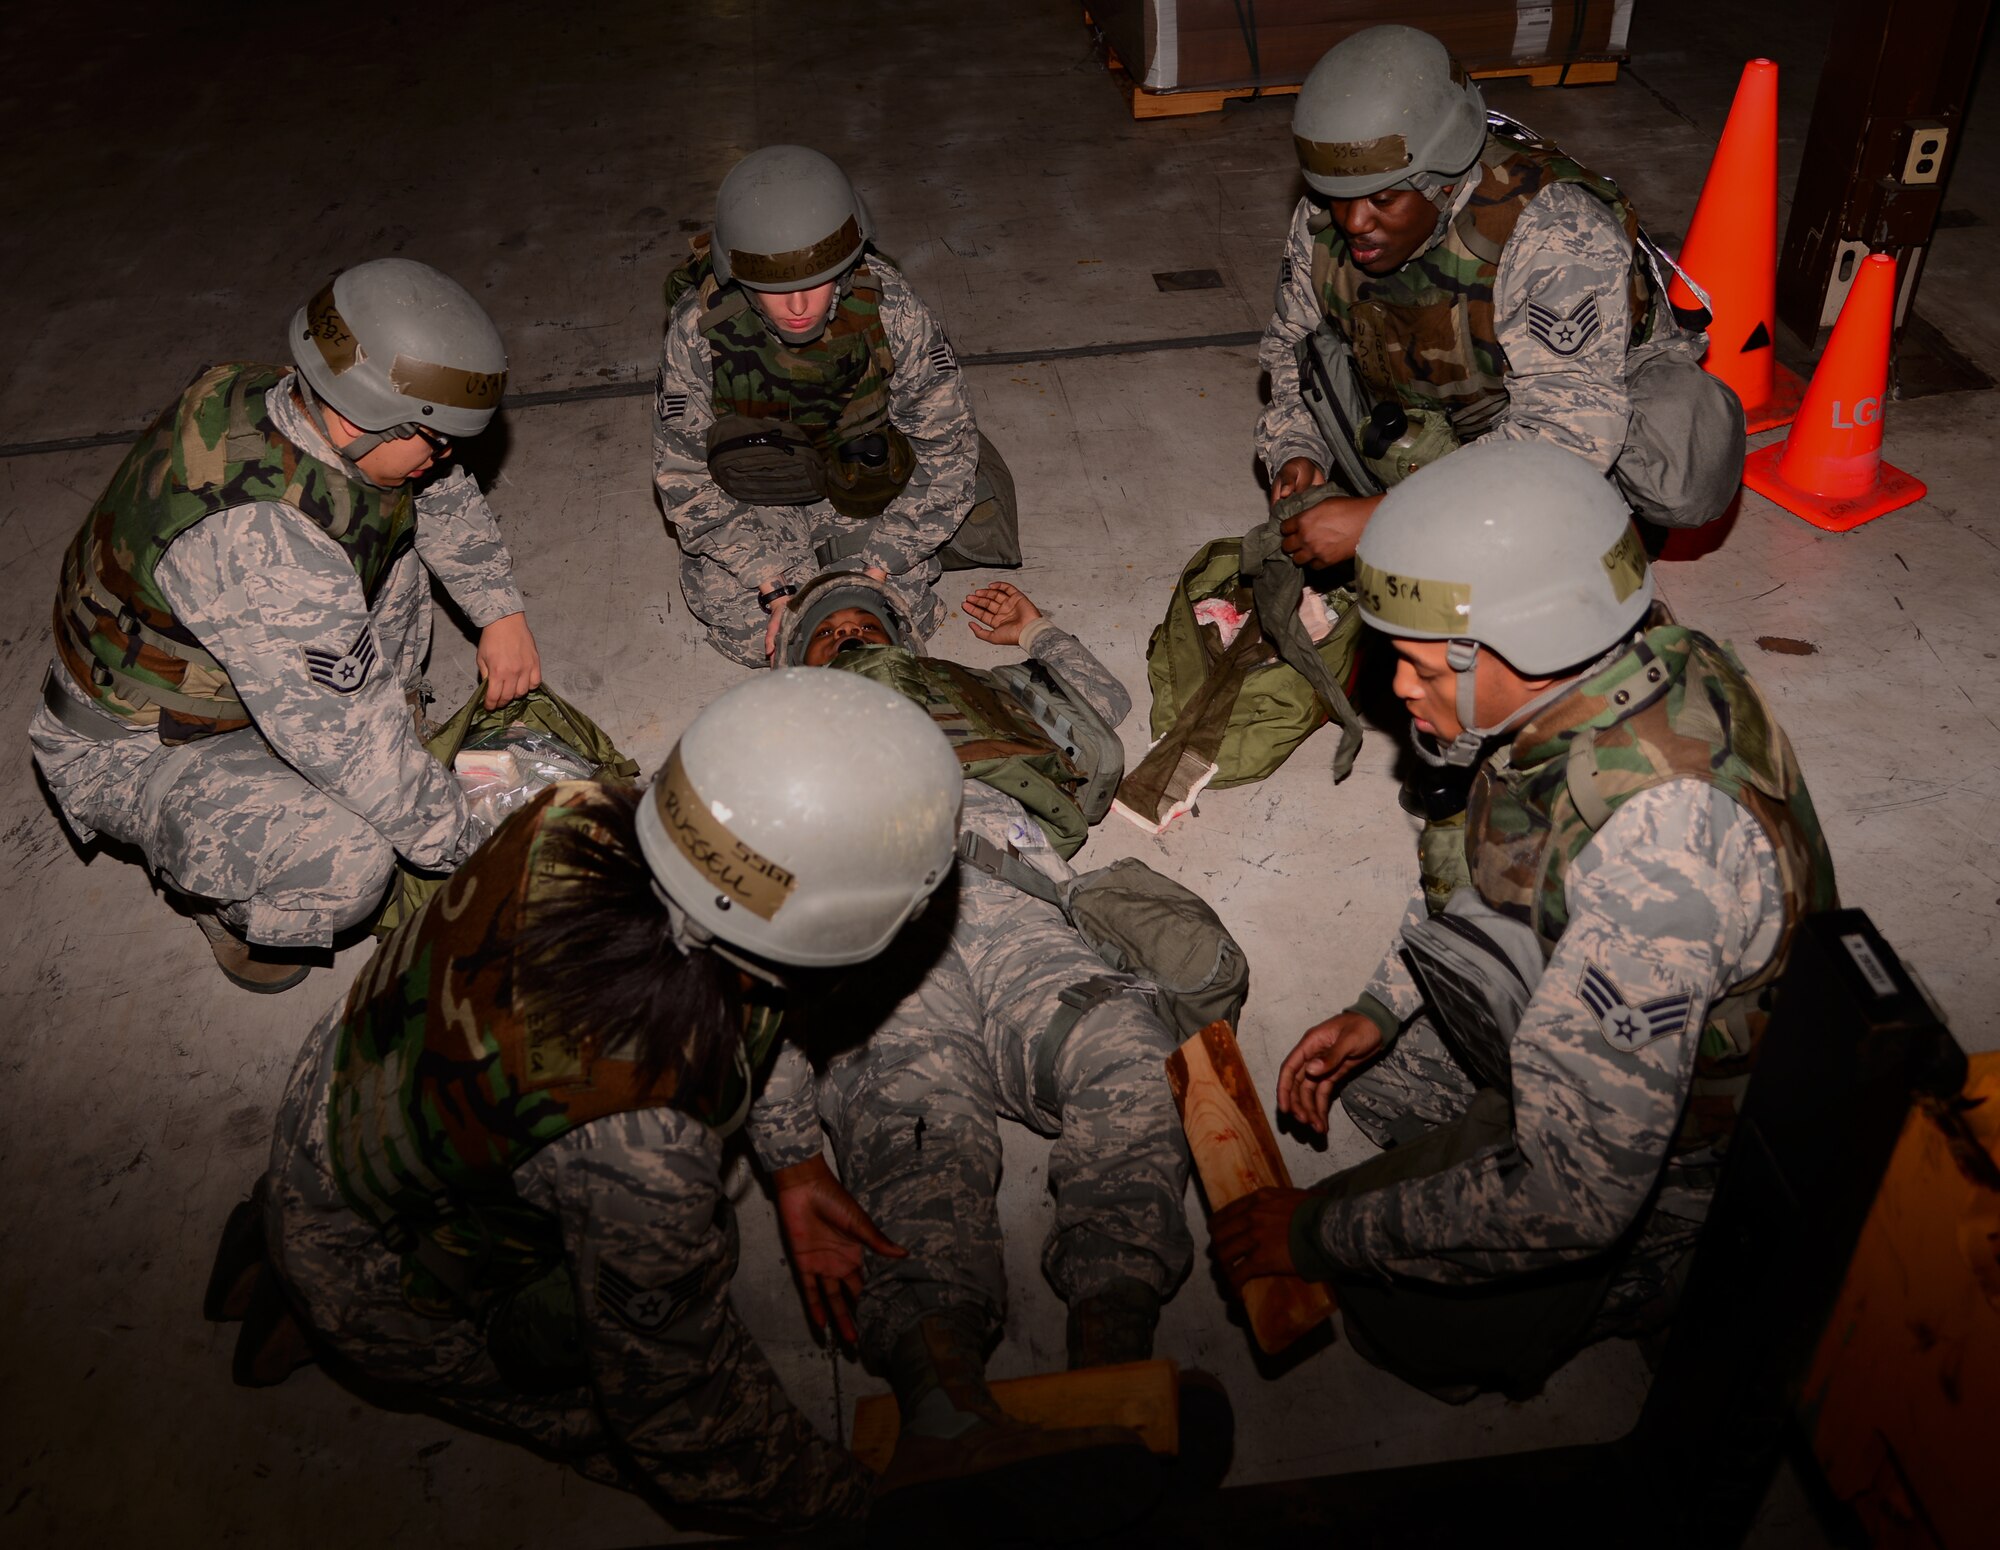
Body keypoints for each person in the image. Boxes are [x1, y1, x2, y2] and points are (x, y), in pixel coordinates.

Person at [203, 672, 964, 1532]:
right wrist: (851, 1511)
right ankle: (319, 1304)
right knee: (597, 1395)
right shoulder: (644, 1143)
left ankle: (281, 1259)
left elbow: (747, 991)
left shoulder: (573, 809)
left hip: (352, 1094)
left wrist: (792, 1166)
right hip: (373, 1254)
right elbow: (684, 1412)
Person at [1210, 442, 1836, 1398]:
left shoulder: (1662, 854)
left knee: (1411, 1329)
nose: (1398, 688)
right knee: (1378, 1089)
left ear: (1512, 646)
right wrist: (1383, 1004)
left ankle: (1676, 1271)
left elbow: (1575, 1196)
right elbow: (1512, 858)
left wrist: (1315, 1235)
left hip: (1707, 1147)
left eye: (1417, 664)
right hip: (1612, 994)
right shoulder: (1605, 670)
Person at [753, 572, 1194, 1517]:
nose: (850, 636)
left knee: (1131, 1051)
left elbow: (1098, 709)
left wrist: (1042, 628)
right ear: (795, 665)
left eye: (867, 625)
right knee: (916, 1127)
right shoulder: (770, 739)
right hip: (880, 941)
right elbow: (735, 946)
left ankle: (1114, 1348)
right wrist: (785, 1148)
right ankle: (944, 1403)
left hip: (1020, 915)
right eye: (827, 636)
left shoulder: (964, 689)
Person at [30, 258, 543, 993]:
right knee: (352, 859)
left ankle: (351, 745)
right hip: (138, 743)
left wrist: (499, 609)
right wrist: (492, 853)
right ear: (356, 417)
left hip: (236, 657)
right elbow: (350, 747)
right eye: (432, 438)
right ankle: (227, 895)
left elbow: (438, 488)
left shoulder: (308, 398)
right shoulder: (264, 543)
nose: (447, 455)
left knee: (393, 543)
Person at [1255, 24, 1729, 573]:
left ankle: (1603, 516)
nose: (1354, 222)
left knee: (1584, 545)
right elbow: (1291, 350)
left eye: (1383, 200)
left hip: (1561, 418)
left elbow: (1566, 435)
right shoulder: (1327, 221)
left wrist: (1383, 516)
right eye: (1337, 198)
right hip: (1438, 409)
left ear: (1443, 181)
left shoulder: (1555, 234)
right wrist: (1298, 449)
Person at [652, 144, 1012, 668]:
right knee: (757, 630)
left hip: (859, 480)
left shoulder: (892, 311)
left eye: (816, 282)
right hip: (756, 492)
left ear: (846, 267)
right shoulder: (698, 333)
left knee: (885, 618)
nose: (798, 307)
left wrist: (879, 569)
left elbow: (948, 453)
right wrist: (772, 587)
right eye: (776, 289)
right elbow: (682, 478)